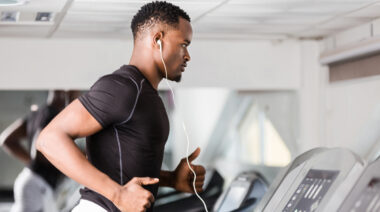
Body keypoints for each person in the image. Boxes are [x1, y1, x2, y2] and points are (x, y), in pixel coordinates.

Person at [36, 1, 206, 212]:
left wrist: (171, 179)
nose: (187, 56)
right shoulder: (123, 88)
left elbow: (122, 165)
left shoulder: (147, 95)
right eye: (183, 44)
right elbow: (49, 139)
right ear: (158, 40)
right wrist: (118, 194)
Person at [0, 90, 68, 212]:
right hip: (37, 185)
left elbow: (7, 140)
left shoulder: (38, 113)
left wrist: (31, 162)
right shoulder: (53, 116)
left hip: (32, 180)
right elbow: (39, 147)